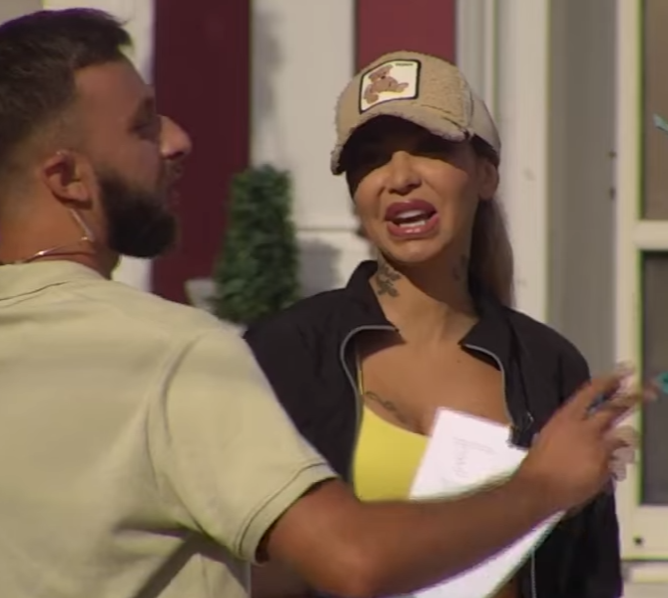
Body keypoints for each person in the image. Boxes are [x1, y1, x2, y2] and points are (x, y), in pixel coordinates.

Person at [0, 13, 644, 598]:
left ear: (485, 173)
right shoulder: (198, 353)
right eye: (143, 125)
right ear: (66, 178)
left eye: (429, 148)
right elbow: (347, 559)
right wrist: (540, 486)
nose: (178, 141)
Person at [243, 51, 633, 598]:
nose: (400, 177)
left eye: (430, 148)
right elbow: (241, 561)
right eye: (372, 161)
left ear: (486, 173)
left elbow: (587, 579)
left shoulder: (547, 364)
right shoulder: (285, 353)